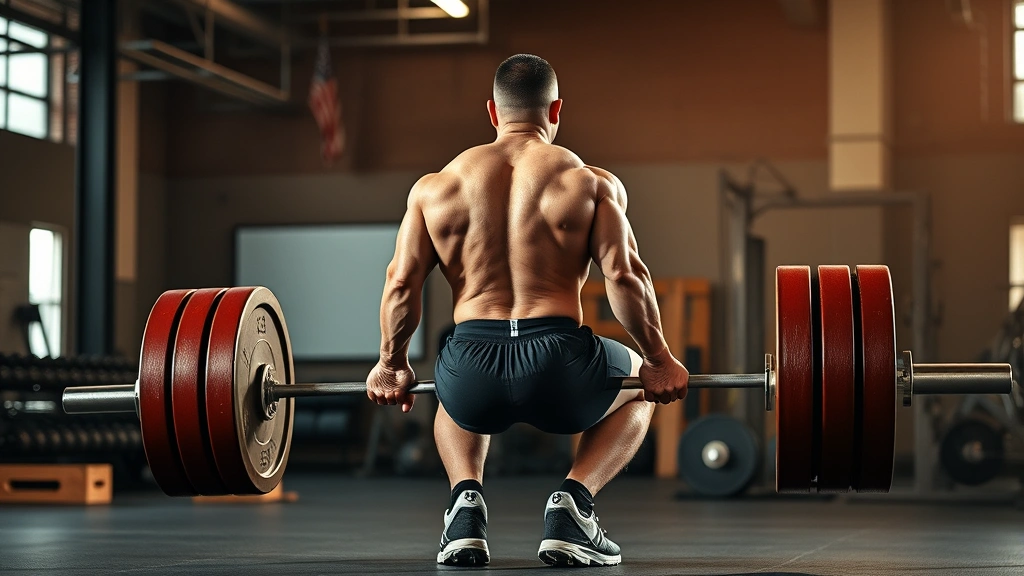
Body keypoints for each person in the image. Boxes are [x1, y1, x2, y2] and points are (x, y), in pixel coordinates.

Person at [365, 53, 690, 568]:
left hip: (471, 364)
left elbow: (401, 282)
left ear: (492, 112)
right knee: (636, 393)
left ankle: (463, 508)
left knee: (450, 389)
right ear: (556, 109)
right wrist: (657, 358)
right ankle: (572, 508)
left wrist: (391, 362)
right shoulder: (589, 182)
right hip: (558, 367)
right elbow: (625, 277)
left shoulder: (435, 188)